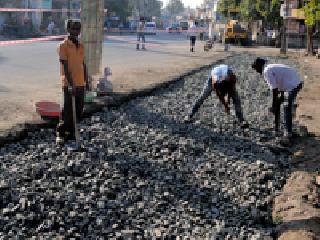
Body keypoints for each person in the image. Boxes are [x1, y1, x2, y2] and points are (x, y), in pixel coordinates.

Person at [251, 57, 303, 144]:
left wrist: (273, 105)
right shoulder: (269, 68)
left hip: (293, 85)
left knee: (286, 107)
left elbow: (274, 90)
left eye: (256, 69)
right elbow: (280, 82)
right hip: (292, 83)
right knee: (279, 103)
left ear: (259, 66)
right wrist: (277, 102)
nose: (257, 71)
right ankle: (277, 128)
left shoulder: (266, 71)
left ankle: (288, 133)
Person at [56, 19, 90, 144]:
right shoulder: (63, 46)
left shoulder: (81, 46)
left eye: (78, 29)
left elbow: (83, 64)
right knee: (68, 110)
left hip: (81, 83)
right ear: (68, 29)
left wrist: (87, 81)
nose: (77, 31)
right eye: (74, 28)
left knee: (79, 109)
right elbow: (65, 67)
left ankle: (71, 132)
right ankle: (60, 133)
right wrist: (71, 84)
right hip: (69, 84)